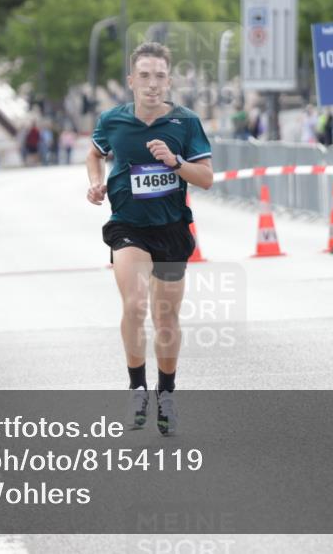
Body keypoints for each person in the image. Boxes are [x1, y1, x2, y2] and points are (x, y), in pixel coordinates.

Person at [86, 42, 213, 437]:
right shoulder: (113, 121)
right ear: (131, 81)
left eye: (159, 76)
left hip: (172, 229)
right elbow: (94, 154)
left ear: (169, 81)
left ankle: (167, 394)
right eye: (144, 76)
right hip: (128, 226)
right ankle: (137, 386)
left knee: (165, 317)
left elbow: (206, 178)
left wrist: (175, 163)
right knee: (135, 303)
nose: (152, 84)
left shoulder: (186, 123)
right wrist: (96, 183)